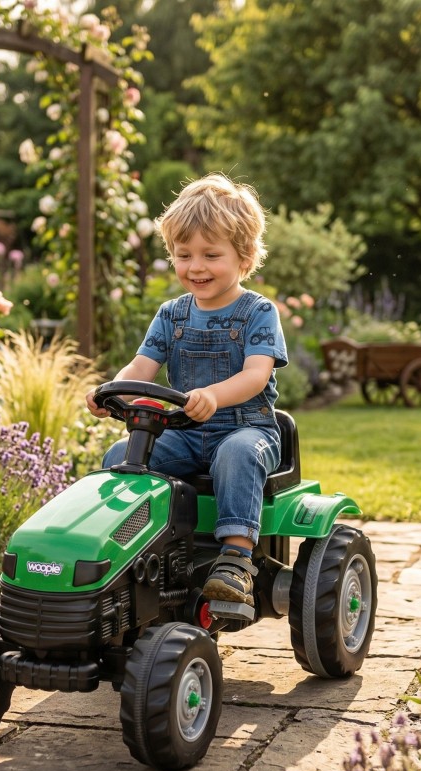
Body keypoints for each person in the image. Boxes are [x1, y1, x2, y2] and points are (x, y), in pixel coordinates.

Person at [86, 173, 288, 609]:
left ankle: (235, 561)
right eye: (184, 255)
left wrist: (214, 396)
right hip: (181, 432)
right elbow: (141, 366)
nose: (196, 267)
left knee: (236, 454)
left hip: (245, 428)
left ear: (245, 256)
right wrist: (110, 392)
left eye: (211, 255)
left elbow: (256, 375)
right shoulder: (170, 314)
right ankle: (130, 553)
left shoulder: (258, 312)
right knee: (120, 459)